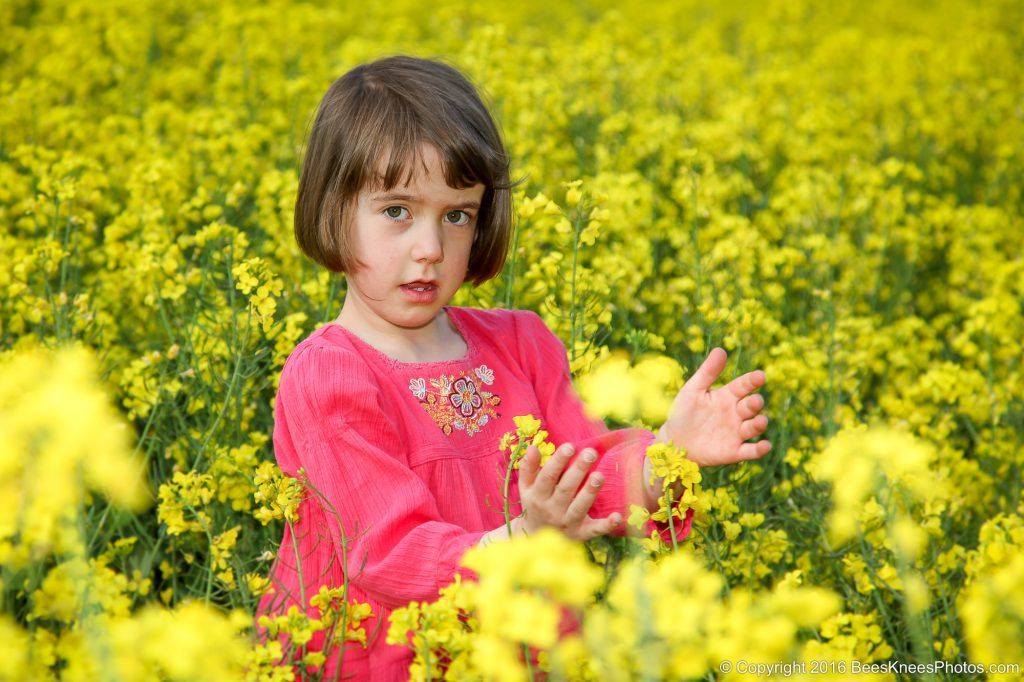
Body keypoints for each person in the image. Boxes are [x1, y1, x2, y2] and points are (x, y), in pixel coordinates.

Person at [256, 54, 771, 680]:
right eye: (397, 211)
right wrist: (527, 535)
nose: (429, 248)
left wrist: (671, 452)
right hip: (386, 656)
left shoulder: (521, 343)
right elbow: (383, 552)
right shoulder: (330, 376)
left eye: (457, 215)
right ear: (333, 212)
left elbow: (585, 481)